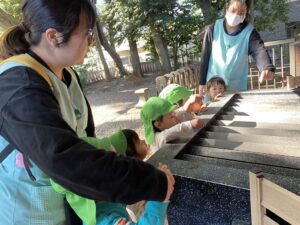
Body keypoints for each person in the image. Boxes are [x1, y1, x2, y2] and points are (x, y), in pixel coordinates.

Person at [0, 1, 174, 224]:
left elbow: (84, 141)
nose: (90, 42)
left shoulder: (67, 75)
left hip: (64, 206)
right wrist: (154, 183)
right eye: (88, 34)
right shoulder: (19, 86)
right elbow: (67, 159)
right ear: (53, 36)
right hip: (29, 214)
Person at [51, 129, 169, 225]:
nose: (122, 169)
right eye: (114, 167)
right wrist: (160, 196)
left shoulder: (103, 207)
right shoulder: (105, 221)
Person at [199, 0, 275, 93]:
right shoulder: (212, 29)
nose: (236, 15)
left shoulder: (249, 32)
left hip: (236, 87)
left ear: (245, 14)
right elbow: (204, 57)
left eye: (241, 13)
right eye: (233, 11)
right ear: (226, 9)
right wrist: (202, 82)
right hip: (213, 86)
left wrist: (266, 67)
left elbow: (258, 50)